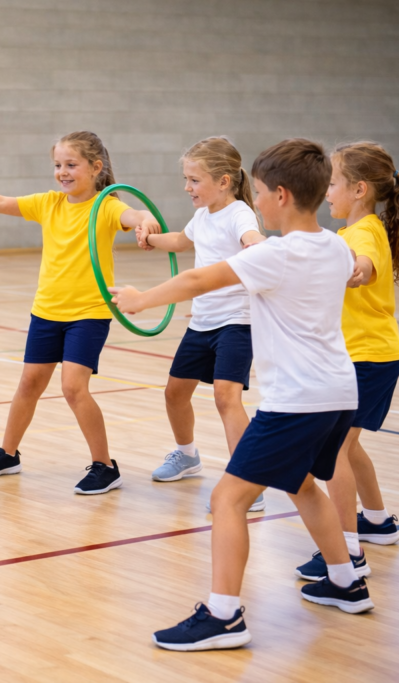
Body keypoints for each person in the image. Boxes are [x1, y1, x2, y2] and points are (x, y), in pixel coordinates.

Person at [113, 139, 373, 651]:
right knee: (300, 485)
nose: (255, 200)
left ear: (279, 196)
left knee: (227, 499)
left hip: (295, 400)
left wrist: (142, 299)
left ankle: (224, 615)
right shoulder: (336, 246)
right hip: (339, 392)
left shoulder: (275, 254)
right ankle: (347, 582)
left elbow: (198, 278)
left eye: (257, 192)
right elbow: (353, 271)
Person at [0, 131, 162, 494]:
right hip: (46, 311)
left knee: (73, 388)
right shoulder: (49, 204)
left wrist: (146, 220)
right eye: (58, 165)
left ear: (96, 168)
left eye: (71, 165)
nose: (63, 171)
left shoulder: (105, 207)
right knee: (29, 384)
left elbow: (133, 212)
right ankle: (8, 453)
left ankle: (105, 466)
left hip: (89, 313)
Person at [293, 141, 399, 581]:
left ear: (360, 190)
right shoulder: (354, 230)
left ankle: (346, 551)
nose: (326, 191)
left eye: (332, 184)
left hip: (367, 359)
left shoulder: (363, 232)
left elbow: (362, 265)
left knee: (335, 453)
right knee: (349, 445)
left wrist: (356, 270)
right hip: (373, 356)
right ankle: (378, 521)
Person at [135, 137, 266, 512]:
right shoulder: (203, 215)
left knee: (227, 397)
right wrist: (151, 239)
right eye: (186, 179)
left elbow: (251, 237)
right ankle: (187, 455)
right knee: (175, 393)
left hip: (236, 322)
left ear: (224, 181)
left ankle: (247, 482)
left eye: (194, 180)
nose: (187, 187)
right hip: (203, 321)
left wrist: (257, 244)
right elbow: (180, 240)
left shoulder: (240, 213)